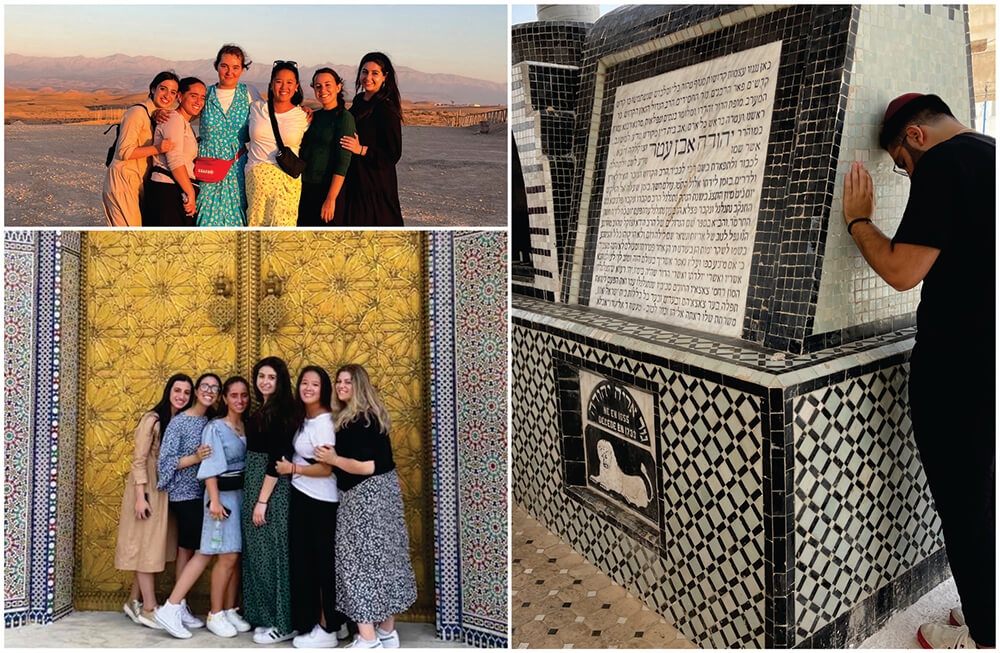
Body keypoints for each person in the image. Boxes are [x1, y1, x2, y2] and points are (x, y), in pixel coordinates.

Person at [842, 93, 995, 650]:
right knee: (980, 495)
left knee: (963, 506)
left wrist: (858, 220)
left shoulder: (943, 165)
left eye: (902, 166)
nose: (907, 176)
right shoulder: (992, 155)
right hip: (990, 360)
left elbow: (902, 271)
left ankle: (984, 632)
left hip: (958, 369)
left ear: (915, 135)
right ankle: (987, 607)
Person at [314, 364, 416, 649]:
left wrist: (333, 460)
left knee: (356, 563)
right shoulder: (373, 416)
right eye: (338, 381)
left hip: (363, 497)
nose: (341, 386)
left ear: (359, 385)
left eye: (348, 381)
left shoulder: (355, 421)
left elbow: (366, 466)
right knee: (384, 559)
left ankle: (368, 639)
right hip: (384, 495)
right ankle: (386, 632)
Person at [156, 376, 253, 639]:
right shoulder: (212, 427)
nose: (240, 400)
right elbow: (208, 466)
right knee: (207, 551)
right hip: (212, 496)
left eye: (244, 395)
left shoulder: (244, 425)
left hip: (236, 496)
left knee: (230, 553)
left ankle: (227, 609)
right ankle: (175, 607)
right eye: (233, 395)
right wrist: (214, 499)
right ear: (225, 398)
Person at [274, 366, 349, 648]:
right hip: (304, 497)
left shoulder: (324, 423)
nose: (307, 388)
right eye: (304, 383)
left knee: (320, 567)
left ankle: (327, 627)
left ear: (324, 389)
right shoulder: (306, 419)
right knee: (309, 564)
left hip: (321, 502)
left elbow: (326, 469)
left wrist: (292, 468)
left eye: (314, 384)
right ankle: (331, 623)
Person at [115, 373, 192, 629]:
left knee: (150, 546)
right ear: (168, 391)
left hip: (162, 491)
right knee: (145, 546)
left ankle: (132, 601)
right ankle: (149, 608)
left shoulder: (176, 422)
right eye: (177, 390)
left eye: (186, 392)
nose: (181, 396)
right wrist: (140, 496)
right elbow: (139, 460)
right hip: (146, 489)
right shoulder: (153, 419)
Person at [154, 372, 219, 634]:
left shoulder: (211, 420)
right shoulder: (180, 422)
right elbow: (165, 463)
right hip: (184, 493)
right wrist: (195, 457)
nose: (209, 391)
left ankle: (181, 605)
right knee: (188, 548)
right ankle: (174, 606)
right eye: (205, 386)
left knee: (188, 549)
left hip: (202, 493)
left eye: (215, 388)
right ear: (197, 390)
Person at [242, 357, 297, 644]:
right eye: (261, 376)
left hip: (270, 490)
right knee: (259, 554)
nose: (264, 381)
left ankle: (283, 621)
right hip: (254, 485)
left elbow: (277, 459)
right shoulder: (262, 410)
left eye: (271, 377)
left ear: (281, 381)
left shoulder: (281, 412)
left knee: (275, 554)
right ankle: (265, 616)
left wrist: (262, 501)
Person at [196, 44, 263, 226]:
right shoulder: (205, 94)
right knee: (206, 217)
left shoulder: (249, 93)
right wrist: (157, 113)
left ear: (242, 69)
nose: (229, 72)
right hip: (207, 166)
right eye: (224, 66)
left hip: (237, 167)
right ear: (217, 66)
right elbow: (182, 114)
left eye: (235, 67)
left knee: (237, 217)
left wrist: (303, 111)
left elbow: (269, 119)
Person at [102, 71, 178, 226]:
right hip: (123, 183)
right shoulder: (136, 113)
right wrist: (158, 148)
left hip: (136, 183)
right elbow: (124, 151)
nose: (167, 95)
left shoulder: (153, 114)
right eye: (163, 89)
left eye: (173, 92)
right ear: (152, 89)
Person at [338, 52, 404, 226]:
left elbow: (393, 154)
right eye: (364, 72)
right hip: (354, 179)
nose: (368, 77)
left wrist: (361, 149)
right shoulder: (359, 100)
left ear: (385, 77)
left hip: (375, 184)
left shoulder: (386, 107)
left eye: (375, 73)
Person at [246, 61, 310, 226]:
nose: (284, 86)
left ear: (296, 86)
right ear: (272, 84)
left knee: (282, 234)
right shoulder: (256, 108)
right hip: (257, 180)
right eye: (279, 81)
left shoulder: (302, 116)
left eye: (289, 82)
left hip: (287, 182)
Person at [144, 77, 207, 226]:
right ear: (180, 96)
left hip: (175, 188)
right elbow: (175, 159)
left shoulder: (185, 123)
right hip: (168, 190)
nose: (198, 102)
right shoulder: (174, 119)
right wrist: (190, 193)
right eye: (193, 96)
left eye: (202, 98)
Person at [298, 68, 356, 226]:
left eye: (327, 85)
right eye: (318, 86)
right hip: (305, 190)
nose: (323, 90)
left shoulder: (345, 119)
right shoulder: (313, 116)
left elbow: (343, 163)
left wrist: (331, 199)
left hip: (327, 192)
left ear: (338, 87)